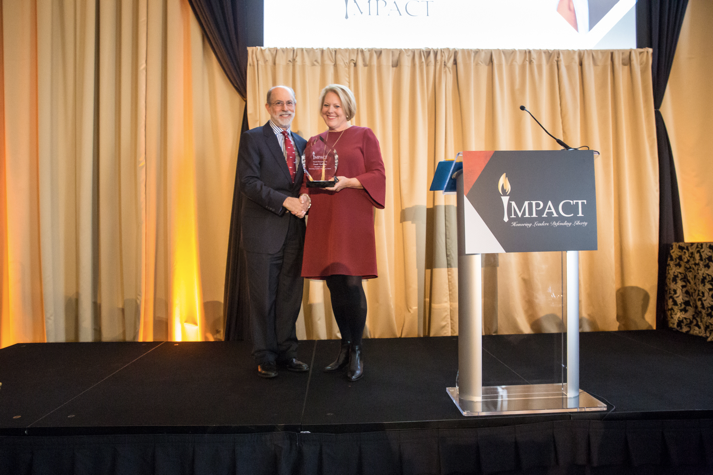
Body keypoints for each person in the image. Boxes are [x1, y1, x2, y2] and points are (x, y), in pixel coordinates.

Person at [301, 84, 386, 382]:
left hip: (352, 217)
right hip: (324, 216)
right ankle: (345, 346)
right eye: (326, 105)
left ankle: (358, 350)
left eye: (336, 105)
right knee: (334, 283)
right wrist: (303, 196)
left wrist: (348, 182)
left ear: (347, 107)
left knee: (351, 282)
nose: (330, 110)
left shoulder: (364, 135)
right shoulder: (314, 141)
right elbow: (307, 179)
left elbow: (378, 174)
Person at [238, 85, 311, 378]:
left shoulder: (304, 143)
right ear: (268, 107)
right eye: (279, 103)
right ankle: (265, 356)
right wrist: (286, 201)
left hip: (295, 231)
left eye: (290, 103)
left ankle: (287, 353)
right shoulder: (253, 138)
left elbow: (307, 182)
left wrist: (306, 198)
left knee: (290, 296)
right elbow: (249, 183)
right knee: (263, 297)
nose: (285, 108)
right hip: (263, 231)